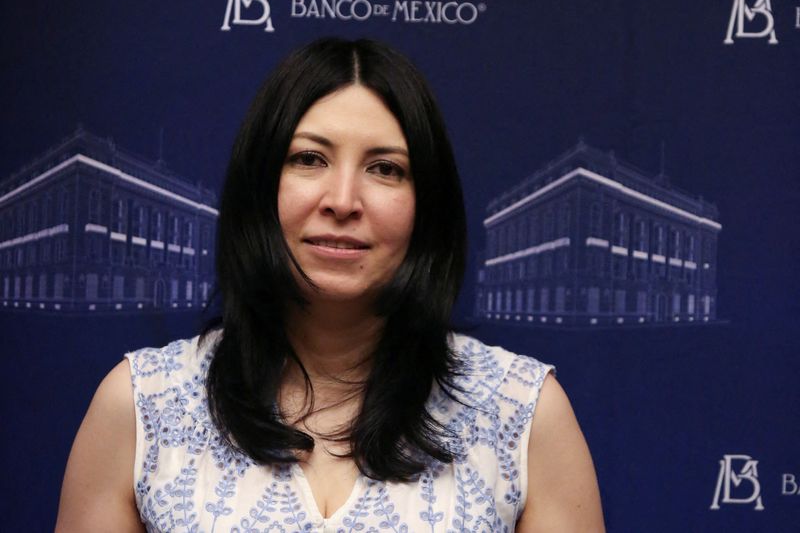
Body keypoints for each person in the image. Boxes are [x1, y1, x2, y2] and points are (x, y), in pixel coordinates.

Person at [56, 37, 604, 532]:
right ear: (260, 185)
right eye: (309, 159)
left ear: (426, 204)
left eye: (385, 168)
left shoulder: (524, 414)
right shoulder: (139, 405)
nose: (342, 200)